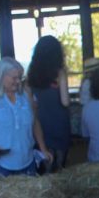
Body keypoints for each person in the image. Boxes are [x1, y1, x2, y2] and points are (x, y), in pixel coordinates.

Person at [0, 57, 52, 183]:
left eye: (20, 77)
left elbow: (35, 121)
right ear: (1, 75)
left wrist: (43, 148)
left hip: (26, 159)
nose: (18, 81)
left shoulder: (26, 92)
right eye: (14, 78)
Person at [28, 35, 71, 172]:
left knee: (42, 159)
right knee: (58, 165)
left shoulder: (31, 74)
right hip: (59, 122)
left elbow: (30, 103)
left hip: (39, 121)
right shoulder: (59, 73)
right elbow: (65, 102)